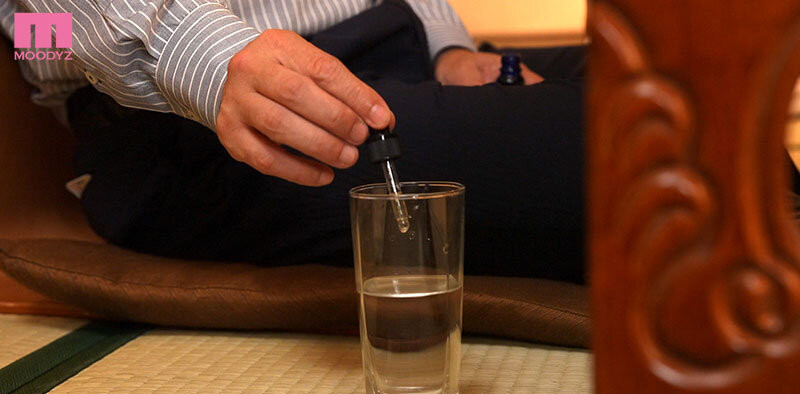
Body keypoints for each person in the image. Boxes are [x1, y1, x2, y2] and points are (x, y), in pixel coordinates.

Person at [1, 0, 586, 283]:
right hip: (175, 104)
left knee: (634, 80)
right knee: (600, 143)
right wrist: (209, 56)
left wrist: (446, 47)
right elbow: (44, 31)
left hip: (391, 45)